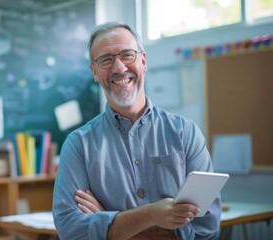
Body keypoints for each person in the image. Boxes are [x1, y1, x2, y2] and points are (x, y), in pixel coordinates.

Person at [52, 21, 221, 240]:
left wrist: (111, 223)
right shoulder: (78, 145)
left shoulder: (185, 133)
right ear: (94, 72)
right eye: (106, 59)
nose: (119, 67)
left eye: (127, 55)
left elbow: (207, 224)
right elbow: (70, 228)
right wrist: (152, 216)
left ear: (143, 60)